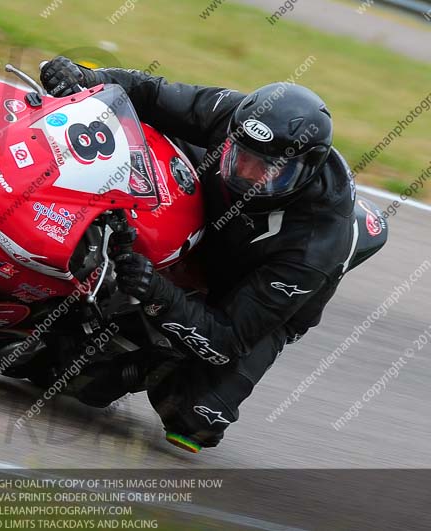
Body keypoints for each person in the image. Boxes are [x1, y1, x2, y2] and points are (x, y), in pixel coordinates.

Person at [39, 56, 358, 452]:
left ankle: (154, 362)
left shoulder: (315, 245)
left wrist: (156, 291)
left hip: (246, 290)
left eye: (266, 169)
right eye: (240, 156)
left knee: (195, 418)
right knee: (137, 136)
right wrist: (87, 79)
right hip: (208, 222)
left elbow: (228, 339)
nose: (245, 173)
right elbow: (150, 92)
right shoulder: (240, 118)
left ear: (305, 171)